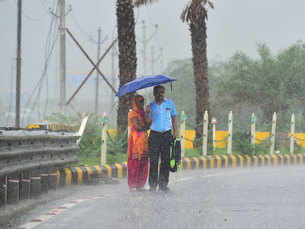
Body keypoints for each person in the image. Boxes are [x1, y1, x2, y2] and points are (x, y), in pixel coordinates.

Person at [146, 85, 178, 192]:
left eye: (162, 92)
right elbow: (147, 123)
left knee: (165, 160)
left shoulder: (170, 104)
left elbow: (174, 119)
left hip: (166, 135)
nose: (161, 95)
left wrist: (175, 131)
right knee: (154, 161)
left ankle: (163, 184)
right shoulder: (151, 106)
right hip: (154, 135)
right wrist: (147, 113)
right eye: (159, 92)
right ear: (154, 94)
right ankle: (153, 185)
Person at [127, 94, 151, 191]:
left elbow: (148, 125)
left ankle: (141, 184)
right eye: (140, 101)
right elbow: (137, 127)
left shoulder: (144, 113)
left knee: (143, 162)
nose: (142, 103)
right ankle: (133, 184)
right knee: (135, 162)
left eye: (143, 101)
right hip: (135, 141)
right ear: (135, 102)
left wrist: (148, 114)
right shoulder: (133, 113)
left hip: (144, 141)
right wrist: (144, 125)